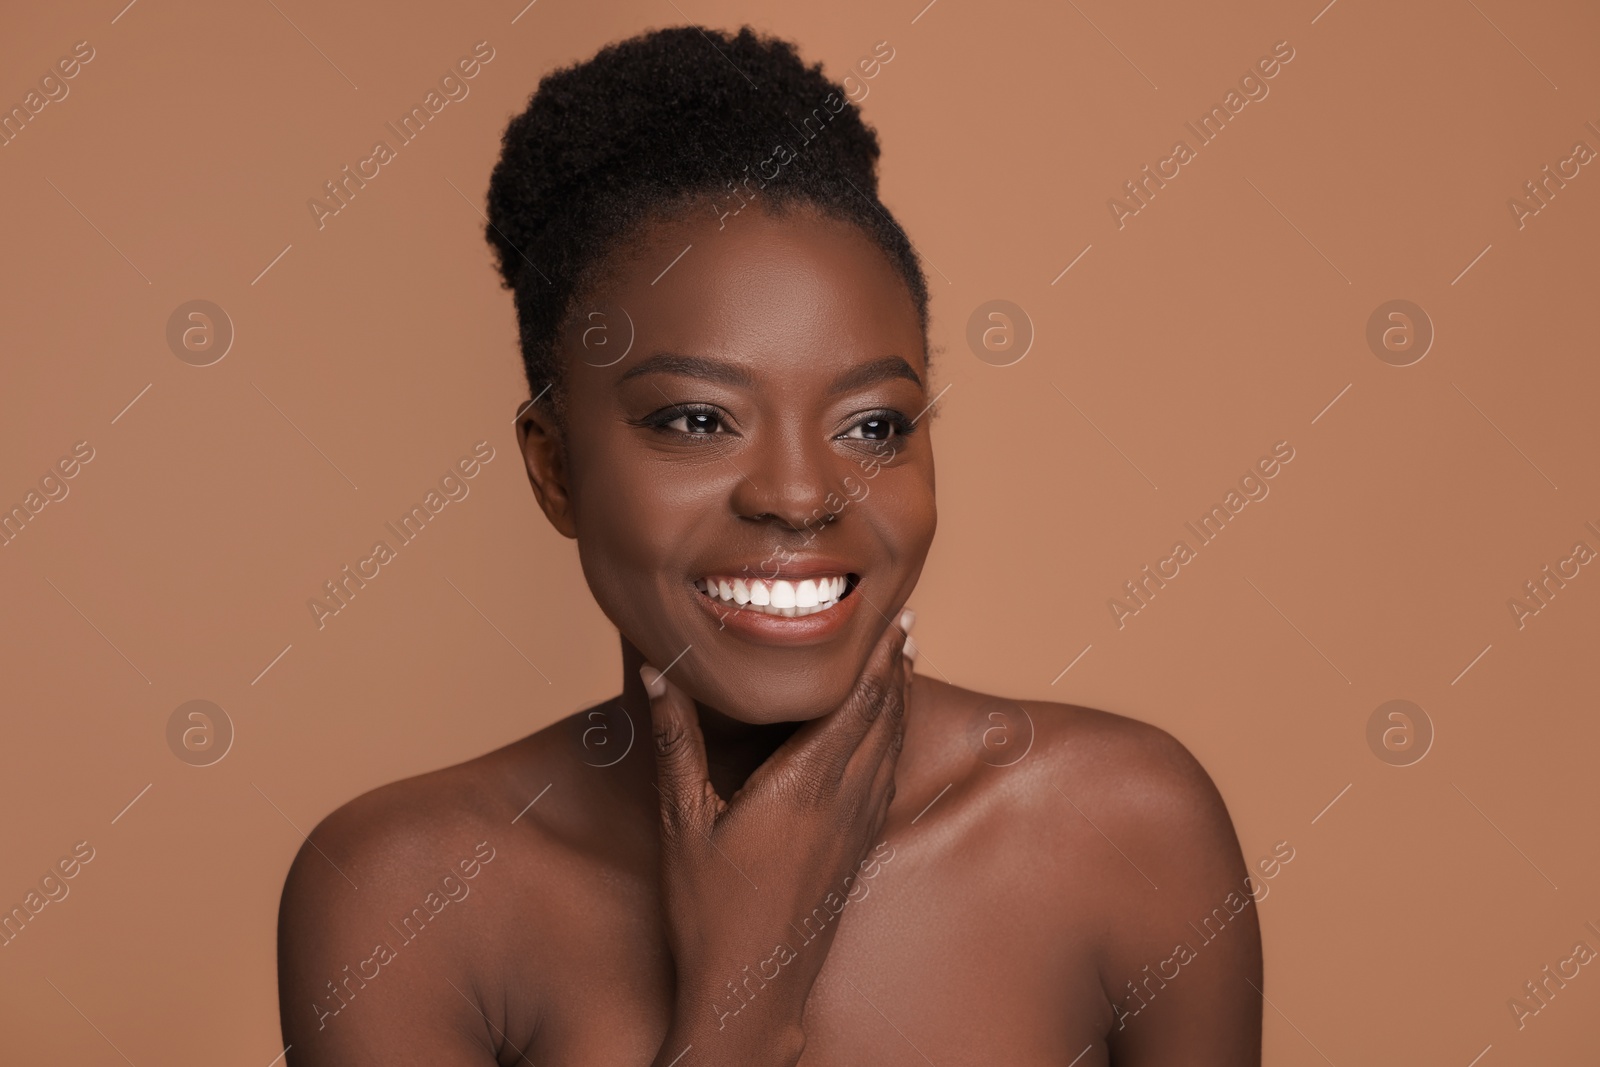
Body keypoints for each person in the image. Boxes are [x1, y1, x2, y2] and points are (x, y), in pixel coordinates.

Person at [276, 25, 1262, 1066]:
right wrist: (742, 1002)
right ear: (554, 467)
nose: (799, 495)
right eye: (698, 420)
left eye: (872, 425)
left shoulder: (1125, 832)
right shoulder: (404, 897)